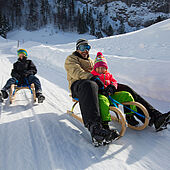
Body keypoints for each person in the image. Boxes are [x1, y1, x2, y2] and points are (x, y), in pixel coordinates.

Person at [65, 39, 170, 144]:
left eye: (87, 48)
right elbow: (77, 72)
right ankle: (96, 130)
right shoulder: (71, 59)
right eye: (82, 48)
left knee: (125, 88)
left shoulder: (92, 61)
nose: (85, 51)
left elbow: (103, 74)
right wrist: (94, 78)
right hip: (79, 86)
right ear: (77, 49)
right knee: (89, 84)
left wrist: (111, 86)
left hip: (96, 86)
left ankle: (155, 117)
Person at [91, 52, 139, 128]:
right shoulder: (92, 76)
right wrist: (99, 90)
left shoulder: (108, 75)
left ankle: (130, 116)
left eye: (103, 68)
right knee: (103, 102)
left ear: (106, 68)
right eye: (98, 68)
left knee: (127, 95)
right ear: (95, 68)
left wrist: (112, 87)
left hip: (110, 95)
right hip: (100, 97)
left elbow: (114, 82)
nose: (100, 70)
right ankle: (105, 123)